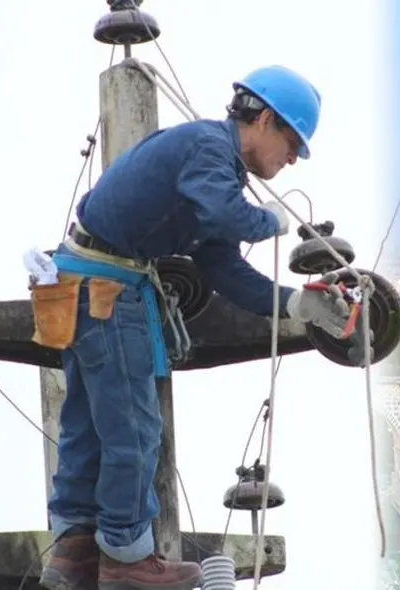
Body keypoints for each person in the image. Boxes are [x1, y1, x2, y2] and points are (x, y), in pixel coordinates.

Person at [33, 65, 365, 590]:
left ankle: (73, 552)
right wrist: (272, 221)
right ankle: (125, 558)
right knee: (135, 430)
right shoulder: (210, 150)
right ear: (263, 118)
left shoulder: (212, 167)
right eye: (293, 141)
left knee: (92, 428)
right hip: (105, 294)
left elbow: (221, 266)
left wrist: (297, 304)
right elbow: (228, 214)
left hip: (84, 285)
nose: (295, 157)